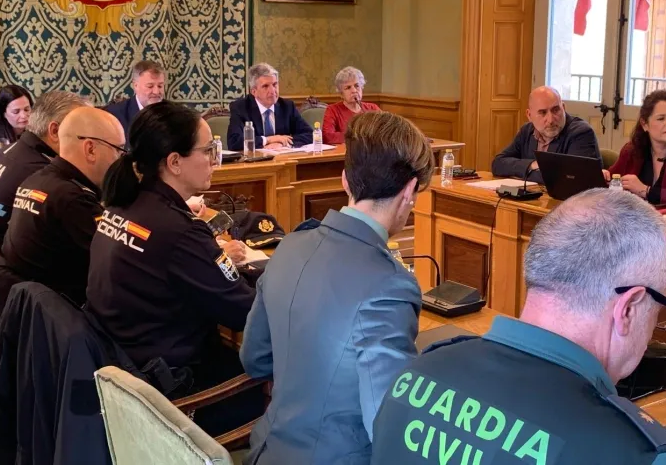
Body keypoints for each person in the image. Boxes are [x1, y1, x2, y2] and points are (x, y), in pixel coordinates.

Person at [370, 189, 666, 464]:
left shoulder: (417, 372)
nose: (652, 333)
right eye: (658, 312)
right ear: (628, 309)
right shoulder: (640, 455)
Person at [239, 111, 434, 465]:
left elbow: (255, 359)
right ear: (409, 192)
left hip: (265, 453)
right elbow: (387, 426)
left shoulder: (288, 246)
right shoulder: (391, 285)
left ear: (345, 180)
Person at [86, 101, 258, 435]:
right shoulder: (178, 231)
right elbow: (244, 312)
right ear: (175, 162)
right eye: (208, 150)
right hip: (175, 391)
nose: (214, 160)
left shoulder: (123, 204)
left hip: (128, 369)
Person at [1, 107, 125, 305]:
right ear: (91, 149)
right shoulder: (73, 199)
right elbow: (117, 265)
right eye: (118, 150)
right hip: (61, 310)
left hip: (28, 304)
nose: (121, 160)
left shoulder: (35, 180)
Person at [0, 91, 90, 253]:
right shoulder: (42, 172)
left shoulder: (9, 150)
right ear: (55, 131)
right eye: (82, 130)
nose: (88, 139)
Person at [492, 86, 600, 184]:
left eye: (555, 110)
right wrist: (532, 165)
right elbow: (498, 164)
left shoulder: (581, 132)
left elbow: (570, 179)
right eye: (543, 113)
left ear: (563, 107)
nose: (550, 120)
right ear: (529, 115)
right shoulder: (527, 131)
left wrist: (521, 172)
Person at [227, 63, 312, 151]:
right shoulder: (240, 108)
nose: (272, 90)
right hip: (255, 159)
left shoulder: (287, 106)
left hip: (282, 157)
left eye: (275, 84)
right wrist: (268, 140)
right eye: (265, 86)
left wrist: (282, 143)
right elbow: (234, 142)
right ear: (254, 91)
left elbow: (310, 134)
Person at [105, 60, 166, 149]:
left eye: (160, 86)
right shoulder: (114, 115)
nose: (156, 92)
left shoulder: (175, 114)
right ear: (135, 85)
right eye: (150, 86)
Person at [322, 66, 381, 145]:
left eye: (357, 86)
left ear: (362, 87)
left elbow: (386, 130)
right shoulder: (333, 110)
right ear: (341, 94)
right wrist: (358, 136)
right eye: (348, 88)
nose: (354, 90)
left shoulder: (372, 108)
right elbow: (327, 136)